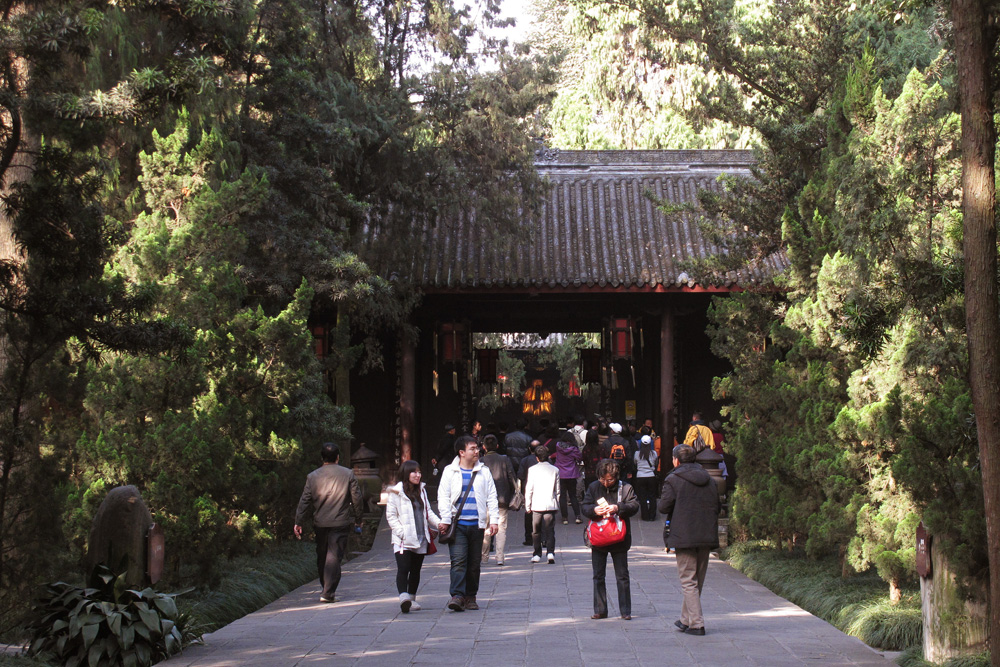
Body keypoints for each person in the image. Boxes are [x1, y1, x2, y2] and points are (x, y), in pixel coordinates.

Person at [658, 444, 721, 636]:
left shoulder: (673, 479)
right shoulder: (709, 480)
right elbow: (717, 506)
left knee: (688, 580)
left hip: (684, 534)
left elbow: (663, 507)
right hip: (705, 534)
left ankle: (697, 623)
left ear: (676, 460)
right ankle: (686, 618)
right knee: (696, 580)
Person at [294, 442, 364, 603]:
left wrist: (298, 521)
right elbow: (357, 499)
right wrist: (358, 519)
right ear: (338, 457)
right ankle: (328, 591)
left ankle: (326, 588)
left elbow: (304, 501)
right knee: (334, 556)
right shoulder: (348, 474)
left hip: (320, 522)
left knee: (322, 555)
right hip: (340, 521)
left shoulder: (312, 476)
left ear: (322, 457)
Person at [437, 435, 499, 612]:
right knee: (458, 561)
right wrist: (446, 519)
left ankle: (471, 596)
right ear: (462, 452)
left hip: (477, 524)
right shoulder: (450, 471)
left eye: (477, 448)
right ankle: (457, 595)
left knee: (474, 564)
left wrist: (493, 520)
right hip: (458, 525)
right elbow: (443, 497)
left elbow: (492, 497)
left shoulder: (483, 471)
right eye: (472, 448)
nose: (477, 451)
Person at [582, 459, 639, 620]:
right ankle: (600, 609)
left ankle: (625, 610)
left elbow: (634, 506)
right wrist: (594, 509)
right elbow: (584, 506)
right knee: (598, 575)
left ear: (616, 477)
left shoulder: (626, 488)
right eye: (602, 479)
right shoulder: (594, 487)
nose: (605, 483)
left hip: (619, 537)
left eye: (609, 480)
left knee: (622, 575)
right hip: (599, 537)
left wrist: (618, 507)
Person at [386, 460, 441, 613]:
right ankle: (403, 597)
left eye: (419, 472)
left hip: (421, 536)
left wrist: (440, 524)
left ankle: (412, 598)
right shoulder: (396, 492)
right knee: (403, 568)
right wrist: (401, 532)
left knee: (416, 570)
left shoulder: (421, 491)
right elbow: (391, 516)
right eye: (414, 472)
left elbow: (428, 512)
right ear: (406, 473)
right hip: (403, 539)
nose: (418, 475)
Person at [480, 435, 517, 566]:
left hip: (484, 500)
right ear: (497, 446)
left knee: (485, 527)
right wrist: (515, 492)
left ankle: (484, 557)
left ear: (483, 447)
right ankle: (500, 557)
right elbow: (511, 476)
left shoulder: (481, 461)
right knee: (501, 528)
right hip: (502, 498)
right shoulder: (504, 459)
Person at [524, 444, 559, 563]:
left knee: (536, 530)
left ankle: (537, 553)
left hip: (537, 503)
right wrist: (557, 503)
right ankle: (550, 552)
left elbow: (529, 489)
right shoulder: (555, 470)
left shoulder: (532, 469)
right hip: (550, 503)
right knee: (550, 530)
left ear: (537, 458)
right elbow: (557, 490)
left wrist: (527, 505)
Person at [554, 433, 583, 524]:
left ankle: (564, 518)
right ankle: (577, 516)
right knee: (573, 495)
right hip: (571, 474)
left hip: (561, 474)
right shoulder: (574, 449)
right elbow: (579, 458)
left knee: (562, 496)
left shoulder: (558, 446)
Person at [518, 439, 542, 546]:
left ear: (529, 449)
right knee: (543, 514)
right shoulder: (546, 460)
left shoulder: (525, 460)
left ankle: (529, 538)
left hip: (528, 489)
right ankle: (544, 538)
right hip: (542, 489)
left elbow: (521, 476)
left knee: (528, 513)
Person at [633, 435, 659, 521]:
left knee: (642, 497)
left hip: (640, 476)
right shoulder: (654, 453)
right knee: (652, 496)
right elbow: (656, 463)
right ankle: (652, 515)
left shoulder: (637, 454)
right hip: (651, 476)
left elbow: (635, 463)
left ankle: (645, 516)